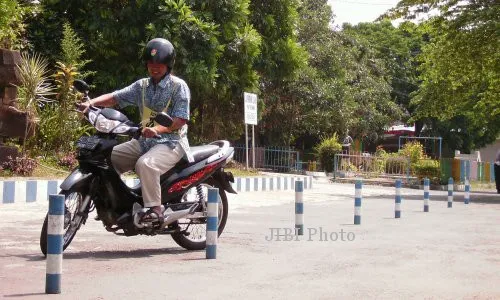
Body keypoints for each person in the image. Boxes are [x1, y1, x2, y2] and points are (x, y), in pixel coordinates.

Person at [79, 38, 193, 227]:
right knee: (106, 158)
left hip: (171, 142)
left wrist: (156, 129)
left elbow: (180, 121)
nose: (154, 68)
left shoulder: (178, 86)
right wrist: (91, 103)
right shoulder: (142, 86)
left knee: (145, 165)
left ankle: (155, 209)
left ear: (168, 65)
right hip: (144, 140)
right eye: (150, 64)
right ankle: (115, 203)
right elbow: (116, 97)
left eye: (159, 64)